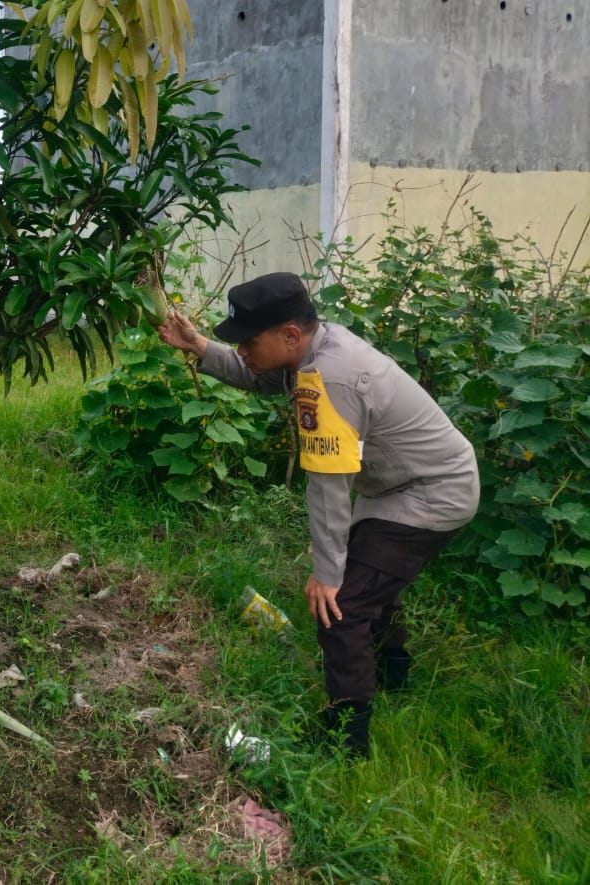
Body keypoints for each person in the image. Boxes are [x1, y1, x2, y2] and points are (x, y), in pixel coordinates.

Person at [157, 272, 479, 757]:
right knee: (371, 580)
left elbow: (328, 484)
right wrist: (200, 346)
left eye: (248, 341)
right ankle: (394, 675)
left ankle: (345, 738)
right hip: (400, 486)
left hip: (432, 491)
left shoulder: (331, 376)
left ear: (289, 334)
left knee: (341, 606)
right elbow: (259, 374)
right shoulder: (311, 348)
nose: (242, 350)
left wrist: (327, 574)